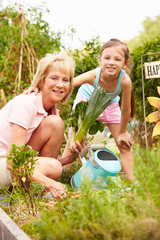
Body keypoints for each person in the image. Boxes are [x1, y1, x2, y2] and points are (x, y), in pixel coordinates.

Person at [24, 38, 136, 181]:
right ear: (100, 60)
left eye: (117, 59)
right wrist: (37, 87)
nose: (111, 62)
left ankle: (133, 181)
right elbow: (68, 85)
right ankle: (63, 174)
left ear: (125, 63)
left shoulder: (125, 81)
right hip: (87, 103)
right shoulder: (93, 75)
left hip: (111, 106)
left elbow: (126, 109)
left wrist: (122, 132)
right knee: (76, 142)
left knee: (123, 143)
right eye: (107, 58)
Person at [0, 52, 84, 199]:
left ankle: (33, 192)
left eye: (66, 80)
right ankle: (33, 191)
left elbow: (38, 160)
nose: (60, 84)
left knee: (56, 125)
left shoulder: (52, 113)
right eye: (54, 78)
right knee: (54, 167)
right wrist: (50, 183)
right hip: (4, 163)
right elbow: (13, 161)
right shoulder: (26, 103)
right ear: (42, 80)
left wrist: (68, 160)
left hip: (12, 166)